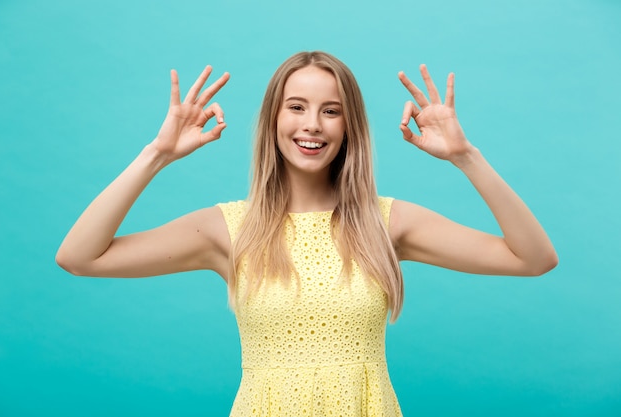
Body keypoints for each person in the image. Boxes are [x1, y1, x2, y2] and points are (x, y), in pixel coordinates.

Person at [56, 51, 558, 416]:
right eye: (296, 106)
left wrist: (466, 157)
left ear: (349, 126)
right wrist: (156, 155)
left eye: (331, 110)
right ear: (274, 117)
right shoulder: (229, 229)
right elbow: (80, 256)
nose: (312, 125)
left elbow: (533, 258)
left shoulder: (388, 224)